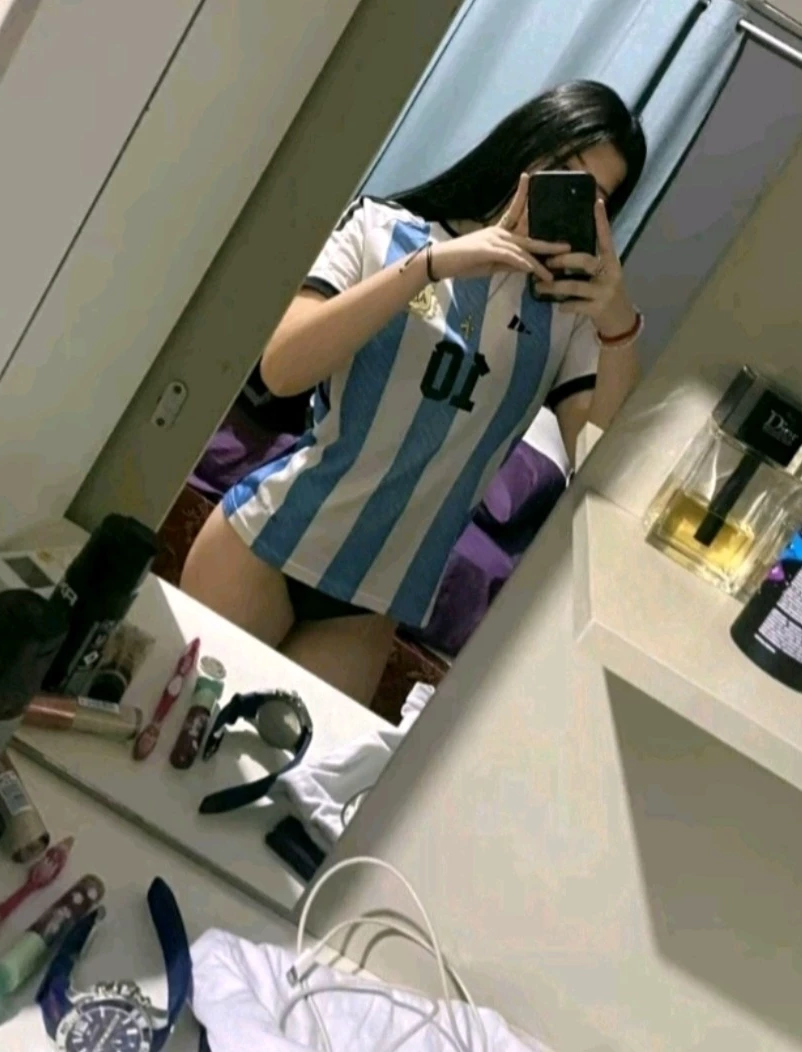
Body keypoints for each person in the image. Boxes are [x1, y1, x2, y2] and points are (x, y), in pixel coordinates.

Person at [182, 80, 647, 705]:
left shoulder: (570, 316)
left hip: (371, 605)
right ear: (526, 142)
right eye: (561, 165)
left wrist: (618, 322)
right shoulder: (383, 229)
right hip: (265, 541)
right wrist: (432, 264)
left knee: (289, 769)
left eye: (594, 195)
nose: (567, 194)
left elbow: (600, 464)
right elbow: (282, 369)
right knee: (169, 723)